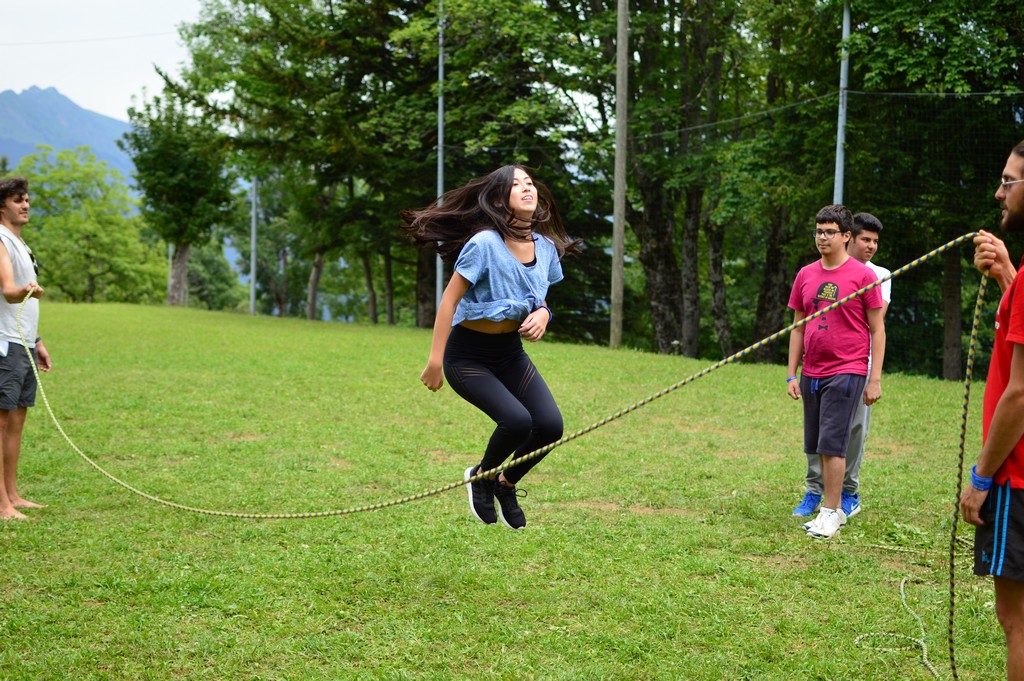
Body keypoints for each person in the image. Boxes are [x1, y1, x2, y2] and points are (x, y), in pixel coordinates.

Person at [401, 165, 580, 530]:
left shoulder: (545, 249)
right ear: (500, 201)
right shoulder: (484, 244)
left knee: (550, 426)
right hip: (467, 356)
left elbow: (538, 297)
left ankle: (505, 483)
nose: (527, 187)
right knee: (517, 421)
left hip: (509, 353)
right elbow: (449, 301)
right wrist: (434, 361)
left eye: (529, 182)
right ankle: (481, 476)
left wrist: (544, 314)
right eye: (516, 185)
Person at [961, 140, 1024, 680]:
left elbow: (1020, 395)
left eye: (1008, 181)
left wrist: (981, 478)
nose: (999, 192)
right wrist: (1007, 276)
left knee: (1018, 621)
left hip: (1018, 479)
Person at [786, 204, 886, 539]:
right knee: (815, 444)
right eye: (819, 231)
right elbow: (798, 327)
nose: (822, 237)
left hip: (848, 369)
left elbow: (877, 330)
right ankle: (828, 508)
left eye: (830, 232)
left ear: (846, 236)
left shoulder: (863, 276)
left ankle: (831, 512)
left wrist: (874, 379)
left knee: (833, 444)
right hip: (812, 372)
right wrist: (792, 373)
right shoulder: (805, 274)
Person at [0, 177, 50, 521]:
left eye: (27, 199)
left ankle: (12, 495)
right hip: (5, 342)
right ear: (1, 206)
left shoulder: (19, 242)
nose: (26, 205)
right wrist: (27, 290)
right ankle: (1, 504)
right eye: (18, 200)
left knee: (17, 420)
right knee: (2, 421)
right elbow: (9, 291)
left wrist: (37, 340)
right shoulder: (1, 239)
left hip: (24, 343)